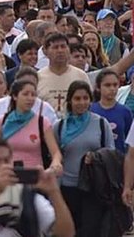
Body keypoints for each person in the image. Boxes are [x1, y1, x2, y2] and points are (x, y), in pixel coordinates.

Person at [0, 136, 75, 237]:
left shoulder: (28, 196)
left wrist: (54, 192)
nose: (2, 166)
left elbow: (66, 233)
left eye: (6, 161)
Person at [53, 81, 114, 235]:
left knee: (90, 230)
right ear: (70, 101)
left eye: (85, 98)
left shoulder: (101, 123)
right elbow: (54, 155)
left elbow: (111, 154)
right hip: (67, 187)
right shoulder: (59, 126)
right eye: (77, 99)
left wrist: (96, 156)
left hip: (93, 187)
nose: (82, 103)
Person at [37, 33, 90, 115]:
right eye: (55, 47)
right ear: (45, 51)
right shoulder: (38, 77)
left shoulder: (80, 76)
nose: (60, 51)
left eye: (63, 46)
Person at [90, 69, 132, 153]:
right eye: (107, 85)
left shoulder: (125, 112)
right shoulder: (91, 110)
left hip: (118, 160)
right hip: (95, 161)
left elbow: (129, 141)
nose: (112, 89)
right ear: (98, 87)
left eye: (115, 85)